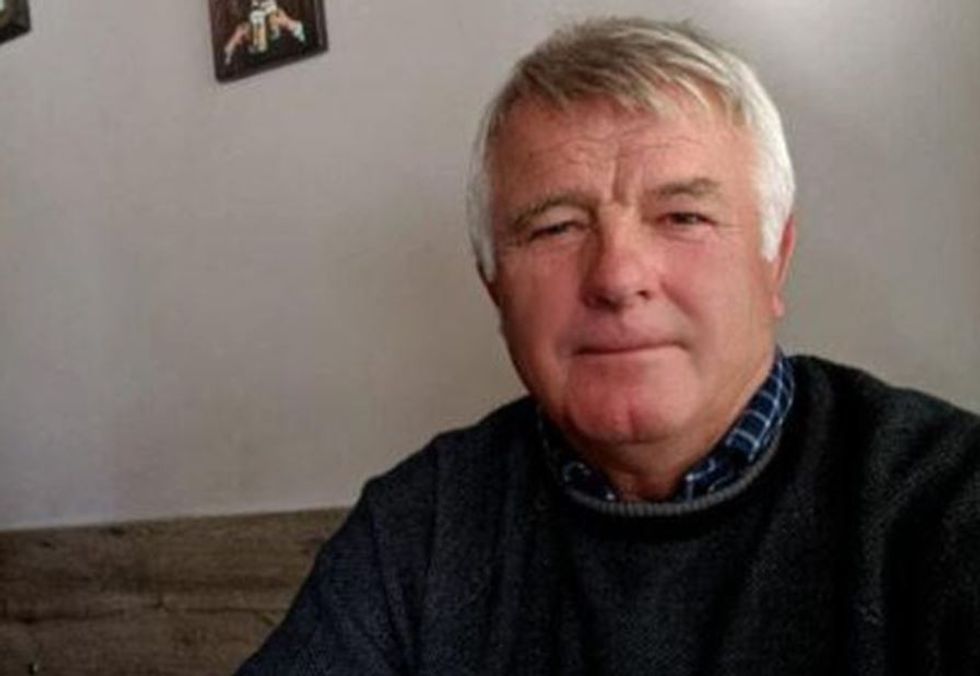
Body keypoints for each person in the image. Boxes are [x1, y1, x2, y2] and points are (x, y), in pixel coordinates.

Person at [238, 17, 980, 674]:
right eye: (556, 227)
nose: (618, 278)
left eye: (684, 216)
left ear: (775, 261)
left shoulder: (943, 500)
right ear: (494, 286)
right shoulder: (418, 527)